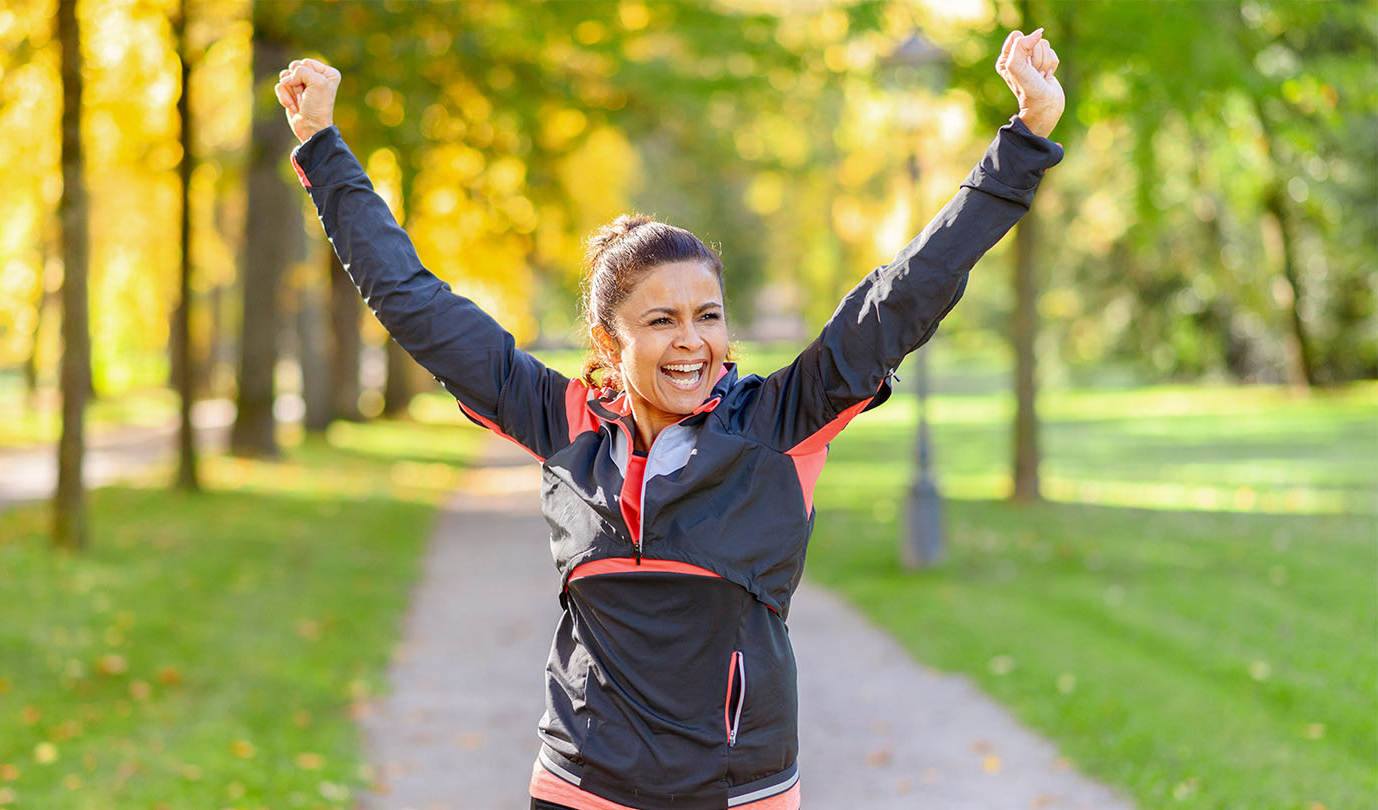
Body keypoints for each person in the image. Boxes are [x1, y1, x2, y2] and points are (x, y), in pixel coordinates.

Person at [276, 27, 1064, 810]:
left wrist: (1025, 137)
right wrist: (321, 146)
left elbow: (906, 290)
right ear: (606, 342)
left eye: (708, 316)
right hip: (580, 784)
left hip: (736, 791)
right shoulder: (563, 423)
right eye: (660, 322)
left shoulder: (779, 423)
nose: (692, 342)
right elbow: (415, 302)